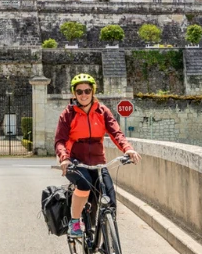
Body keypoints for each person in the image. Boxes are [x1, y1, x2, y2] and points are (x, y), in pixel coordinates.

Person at [55, 73, 141, 239]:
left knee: (111, 199)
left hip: (98, 163)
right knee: (85, 184)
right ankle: (74, 222)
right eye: (79, 92)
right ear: (74, 94)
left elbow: (116, 133)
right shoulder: (68, 114)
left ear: (93, 91)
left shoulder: (102, 111)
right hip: (75, 161)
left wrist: (127, 149)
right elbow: (60, 140)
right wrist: (64, 157)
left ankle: (108, 246)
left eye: (87, 90)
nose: (84, 95)